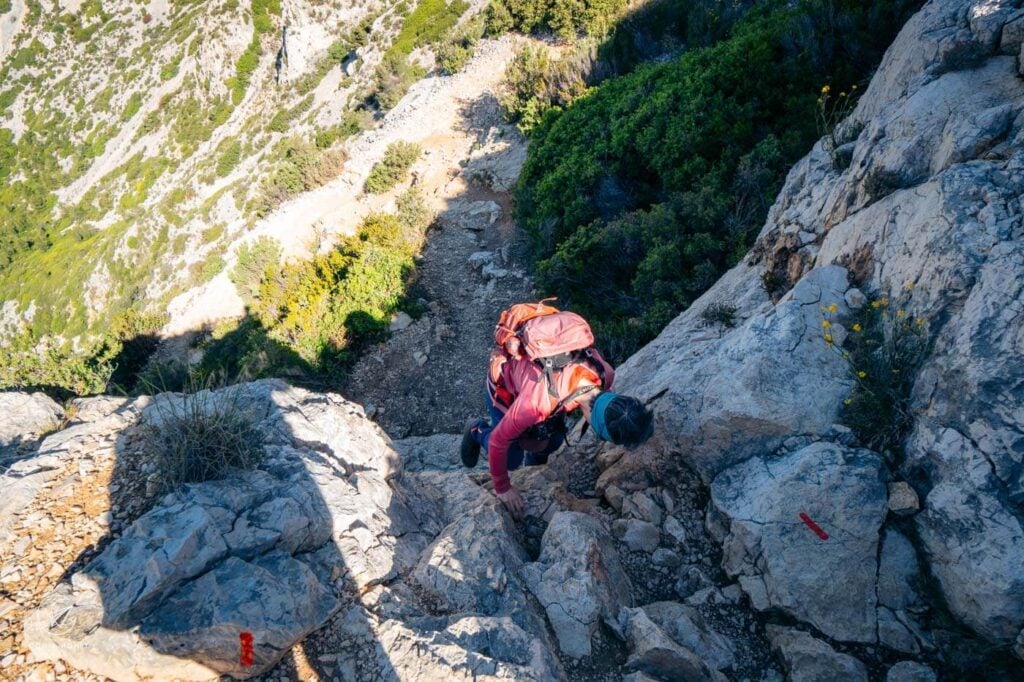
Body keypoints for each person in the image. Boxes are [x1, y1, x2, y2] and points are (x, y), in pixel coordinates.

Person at [460, 309, 654, 519]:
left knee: (554, 440)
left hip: (546, 390)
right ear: (597, 426)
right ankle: (476, 430)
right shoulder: (536, 404)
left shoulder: (604, 374)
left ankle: (533, 467)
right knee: (511, 458)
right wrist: (503, 487)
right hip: (506, 390)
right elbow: (499, 441)